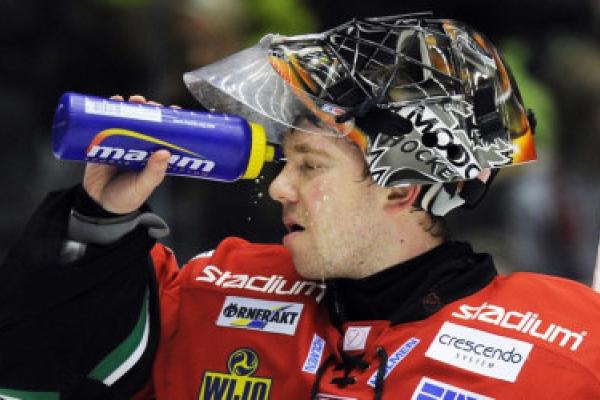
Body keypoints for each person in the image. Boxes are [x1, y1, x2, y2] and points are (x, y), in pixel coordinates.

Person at [1, 13, 600, 400]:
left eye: (310, 165)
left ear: (403, 188)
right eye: (287, 162)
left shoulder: (569, 349)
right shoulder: (216, 289)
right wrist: (98, 222)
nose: (280, 189)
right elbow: (33, 376)